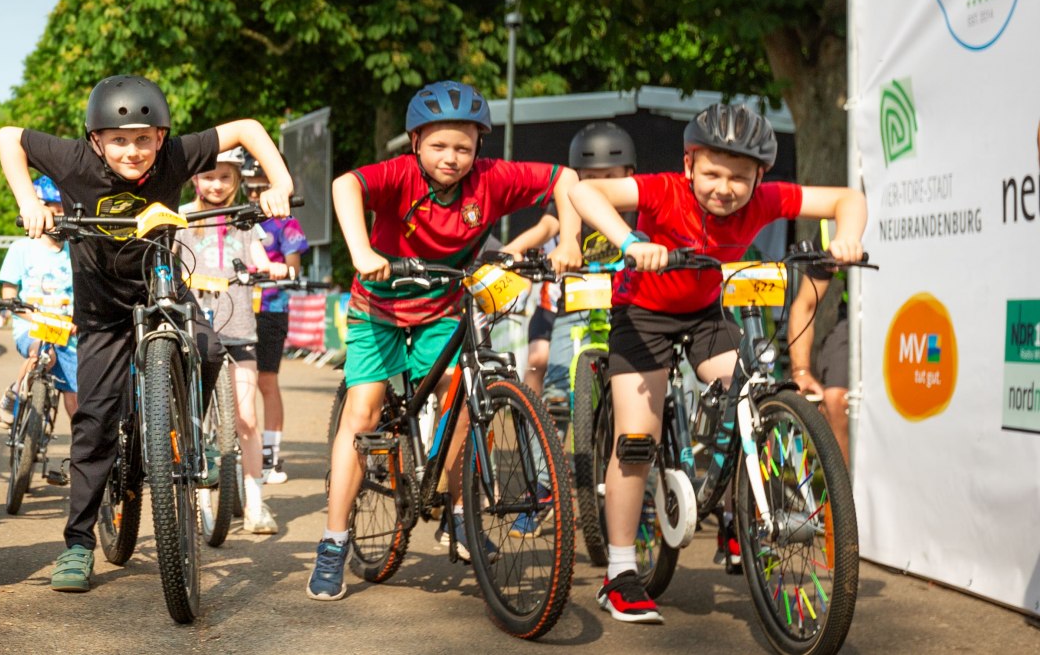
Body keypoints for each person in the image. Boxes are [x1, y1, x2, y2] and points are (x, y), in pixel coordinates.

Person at [562, 103, 867, 624]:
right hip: (643, 313)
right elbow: (582, 190)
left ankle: (736, 512)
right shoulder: (662, 189)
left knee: (749, 394)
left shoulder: (767, 199)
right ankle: (619, 572)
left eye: (739, 178)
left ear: (760, 177)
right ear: (689, 164)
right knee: (637, 441)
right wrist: (631, 240)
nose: (724, 187)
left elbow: (847, 199)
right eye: (712, 174)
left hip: (706, 312)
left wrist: (848, 237)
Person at [0, 74, 295, 593]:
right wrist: (30, 200)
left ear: (161, 137)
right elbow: (8, 137)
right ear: (96, 141)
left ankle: (188, 437)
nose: (131, 151)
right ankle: (78, 545)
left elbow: (247, 128)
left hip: (163, 289)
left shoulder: (177, 156)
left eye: (142, 139)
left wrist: (281, 184)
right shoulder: (73, 161)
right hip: (102, 308)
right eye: (118, 140)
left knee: (208, 350)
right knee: (93, 421)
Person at [307, 80, 578, 601]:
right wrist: (362, 251)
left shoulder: (492, 179)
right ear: (415, 143)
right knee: (363, 413)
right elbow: (346, 185)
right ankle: (334, 541)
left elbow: (564, 178)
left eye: (463, 146)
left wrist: (568, 237)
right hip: (379, 306)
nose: (451, 157)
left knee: (458, 396)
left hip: (443, 306)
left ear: (479, 146)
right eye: (438, 145)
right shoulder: (400, 175)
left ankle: (457, 512)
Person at [181, 148, 289, 533]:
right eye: (209, 176)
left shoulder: (245, 221)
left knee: (246, 417)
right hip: (194, 328)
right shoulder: (181, 218)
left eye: (225, 178)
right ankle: (192, 494)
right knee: (190, 413)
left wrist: (272, 268)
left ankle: (255, 502)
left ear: (237, 181)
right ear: (195, 179)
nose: (216, 184)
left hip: (239, 326)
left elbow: (258, 258)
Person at [0, 175, 79, 486]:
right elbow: (9, 290)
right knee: (39, 347)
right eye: (51, 208)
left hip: (66, 331)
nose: (56, 216)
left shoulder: (75, 252)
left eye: (62, 209)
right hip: (32, 325)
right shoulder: (21, 248)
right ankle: (15, 395)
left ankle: (82, 448)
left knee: (75, 391)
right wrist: (14, 307)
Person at [540, 122, 639, 405]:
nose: (601, 184)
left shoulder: (639, 204)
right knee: (555, 393)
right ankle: (542, 449)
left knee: (643, 380)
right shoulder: (570, 203)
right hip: (576, 302)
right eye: (592, 178)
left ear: (629, 175)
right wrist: (517, 248)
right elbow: (547, 227)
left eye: (610, 176)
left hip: (627, 304)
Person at [245, 151, 310, 486]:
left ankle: (270, 455)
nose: (255, 194)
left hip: (270, 309)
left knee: (266, 383)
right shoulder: (236, 217)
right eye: (249, 187)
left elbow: (294, 266)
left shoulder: (287, 223)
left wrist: (278, 271)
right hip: (234, 309)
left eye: (262, 186)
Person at [787, 219, 851, 464]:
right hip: (854, 319)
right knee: (836, 398)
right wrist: (801, 370)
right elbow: (805, 304)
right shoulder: (832, 228)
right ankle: (845, 495)